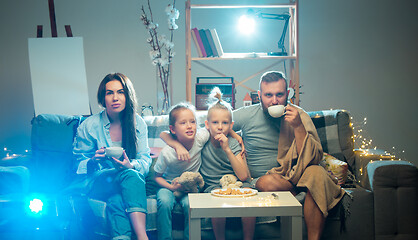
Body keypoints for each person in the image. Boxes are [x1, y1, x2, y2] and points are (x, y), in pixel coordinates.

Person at [232, 71, 345, 240]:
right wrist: (235, 136)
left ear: (287, 94)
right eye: (268, 95)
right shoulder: (247, 114)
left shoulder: (299, 115)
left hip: (299, 175)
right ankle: (299, 193)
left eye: (279, 94)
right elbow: (213, 124)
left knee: (317, 172)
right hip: (272, 180)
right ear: (259, 95)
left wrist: (298, 126)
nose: (274, 101)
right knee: (265, 181)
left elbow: (314, 158)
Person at [73, 72, 151, 240]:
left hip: (124, 185)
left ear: (128, 95)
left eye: (120, 92)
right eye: (110, 93)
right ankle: (143, 236)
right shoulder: (89, 126)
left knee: (116, 200)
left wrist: (131, 166)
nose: (115, 97)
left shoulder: (138, 124)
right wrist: (93, 161)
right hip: (99, 182)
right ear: (103, 97)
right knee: (130, 176)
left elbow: (145, 160)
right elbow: (76, 165)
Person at [199, 88, 255, 240]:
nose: (219, 127)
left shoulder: (234, 144)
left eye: (225, 123)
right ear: (207, 124)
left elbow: (243, 176)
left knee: (249, 198)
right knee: (216, 201)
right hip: (213, 186)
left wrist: (227, 149)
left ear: (231, 125)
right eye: (215, 122)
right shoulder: (202, 140)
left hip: (237, 185)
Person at [153, 102, 210, 240]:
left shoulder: (200, 138)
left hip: (190, 186)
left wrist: (237, 135)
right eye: (183, 123)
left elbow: (217, 127)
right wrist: (171, 187)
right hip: (169, 184)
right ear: (173, 129)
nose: (190, 126)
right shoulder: (168, 152)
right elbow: (156, 177)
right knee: (164, 202)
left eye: (193, 122)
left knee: (190, 205)